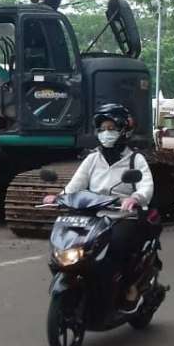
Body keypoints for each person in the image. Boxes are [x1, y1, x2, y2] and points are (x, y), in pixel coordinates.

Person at [46, 103, 155, 311]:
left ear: (124, 131)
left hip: (124, 214)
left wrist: (135, 197)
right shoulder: (92, 158)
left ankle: (130, 286)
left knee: (117, 245)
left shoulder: (135, 159)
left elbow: (146, 186)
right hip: (94, 214)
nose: (106, 133)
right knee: (76, 245)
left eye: (112, 128)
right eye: (103, 129)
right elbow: (76, 184)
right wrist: (59, 197)